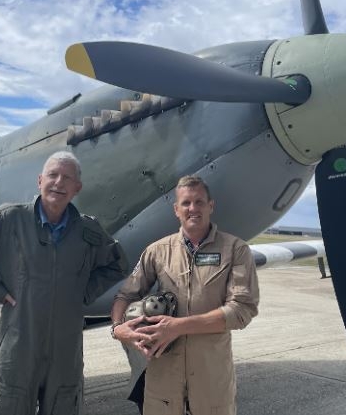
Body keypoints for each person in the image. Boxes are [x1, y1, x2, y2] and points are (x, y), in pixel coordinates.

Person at [0, 151, 128, 415]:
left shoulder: (88, 231)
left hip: (66, 349)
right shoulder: (9, 219)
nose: (58, 182)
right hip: (18, 344)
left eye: (67, 178)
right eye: (52, 175)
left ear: (77, 188)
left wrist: (83, 292)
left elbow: (118, 264)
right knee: (9, 405)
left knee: (64, 405)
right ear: (40, 181)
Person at [110, 175, 259, 415]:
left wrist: (178, 327)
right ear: (176, 210)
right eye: (186, 203)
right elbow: (125, 295)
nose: (193, 208)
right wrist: (118, 329)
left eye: (199, 202)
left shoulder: (235, 250)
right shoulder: (156, 251)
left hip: (211, 385)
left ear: (211, 206)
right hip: (163, 387)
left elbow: (242, 310)